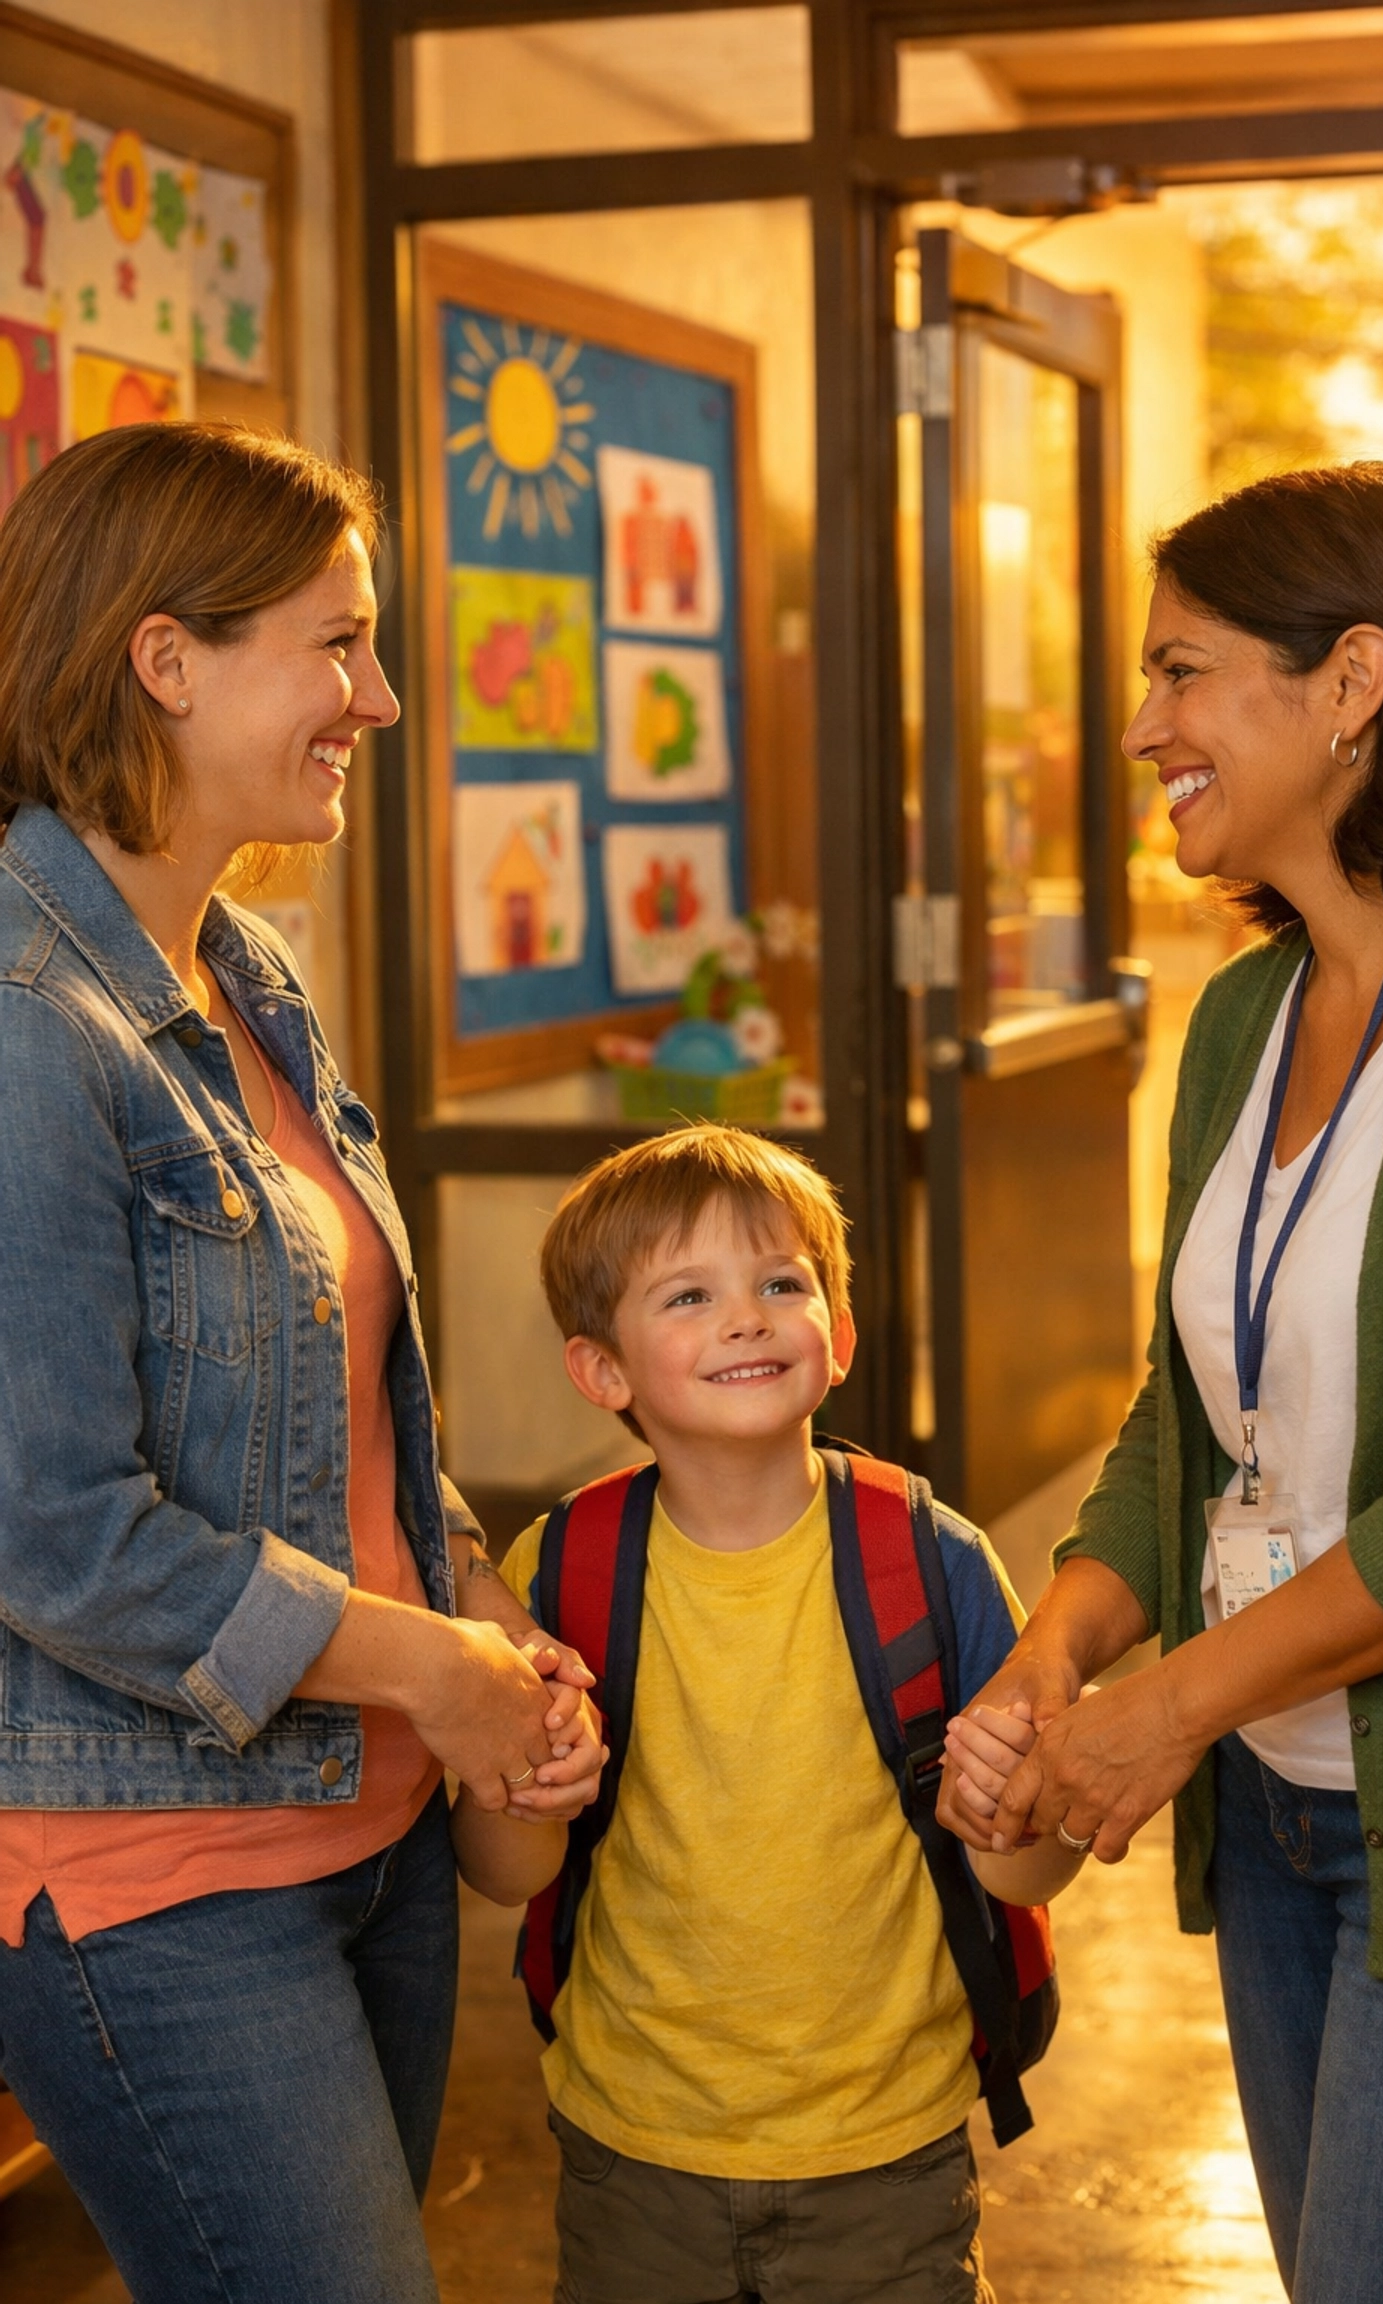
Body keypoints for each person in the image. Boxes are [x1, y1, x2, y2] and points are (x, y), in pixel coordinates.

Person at [0, 422, 603, 2304]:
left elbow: (340, 1401)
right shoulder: (28, 1024)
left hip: (374, 1818)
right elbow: (57, 1532)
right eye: (336, 645)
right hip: (151, 1869)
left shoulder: (245, 968)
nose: (386, 695)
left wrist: (484, 1609)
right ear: (164, 660)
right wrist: (436, 1664)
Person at [939, 462, 1383, 2304]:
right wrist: (1062, 1647)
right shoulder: (1235, 1022)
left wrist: (1170, 1700)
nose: (1141, 729)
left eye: (1183, 672)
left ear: (1351, 681)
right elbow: (1191, 1418)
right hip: (1280, 1819)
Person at [451, 1122, 1086, 2304]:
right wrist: (534, 1781)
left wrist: (1011, 1809)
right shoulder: (561, 1573)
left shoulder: (933, 1561)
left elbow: (1029, 1879)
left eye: (780, 1284)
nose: (745, 1317)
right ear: (603, 1371)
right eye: (689, 1295)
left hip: (888, 2153)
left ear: (836, 1336)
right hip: (632, 2151)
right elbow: (503, 1872)